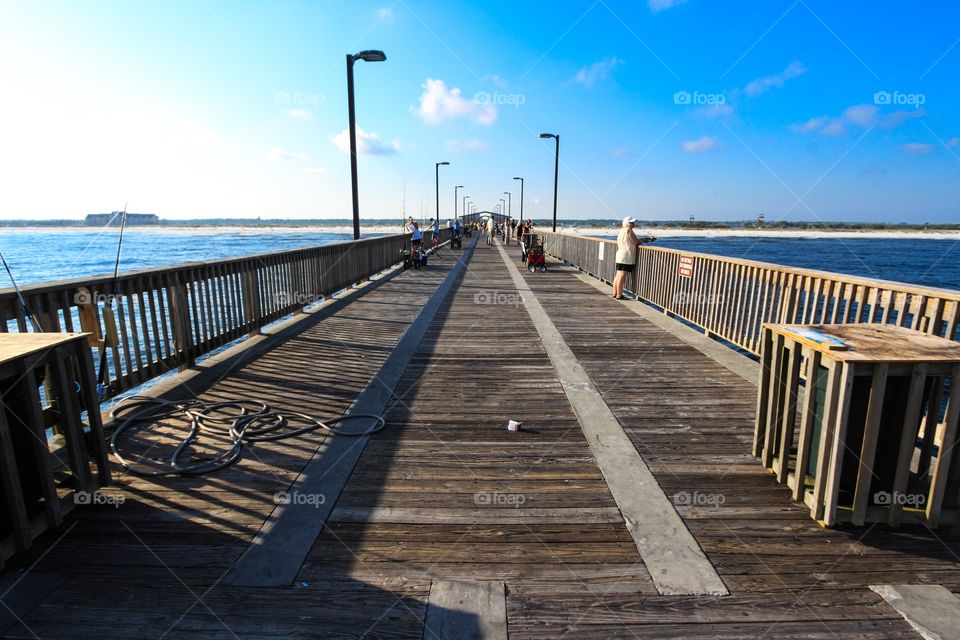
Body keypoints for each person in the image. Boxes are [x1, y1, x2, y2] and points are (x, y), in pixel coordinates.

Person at [613, 216, 640, 300]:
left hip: (620, 255)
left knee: (618, 275)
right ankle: (619, 295)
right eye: (631, 222)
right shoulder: (628, 230)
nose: (633, 224)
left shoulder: (621, 230)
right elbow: (635, 242)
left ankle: (615, 293)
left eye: (633, 222)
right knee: (622, 276)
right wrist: (641, 241)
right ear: (627, 223)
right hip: (626, 256)